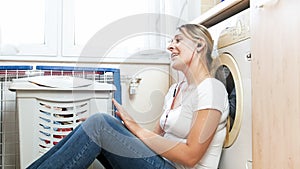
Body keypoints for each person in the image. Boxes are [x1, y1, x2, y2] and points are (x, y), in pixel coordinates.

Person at [27, 24, 229, 169]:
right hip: (160, 162)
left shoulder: (211, 89)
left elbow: (191, 156)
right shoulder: (176, 90)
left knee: (100, 124)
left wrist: (136, 128)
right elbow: (155, 139)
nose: (169, 46)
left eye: (178, 40)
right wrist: (123, 129)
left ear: (200, 45)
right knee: (96, 126)